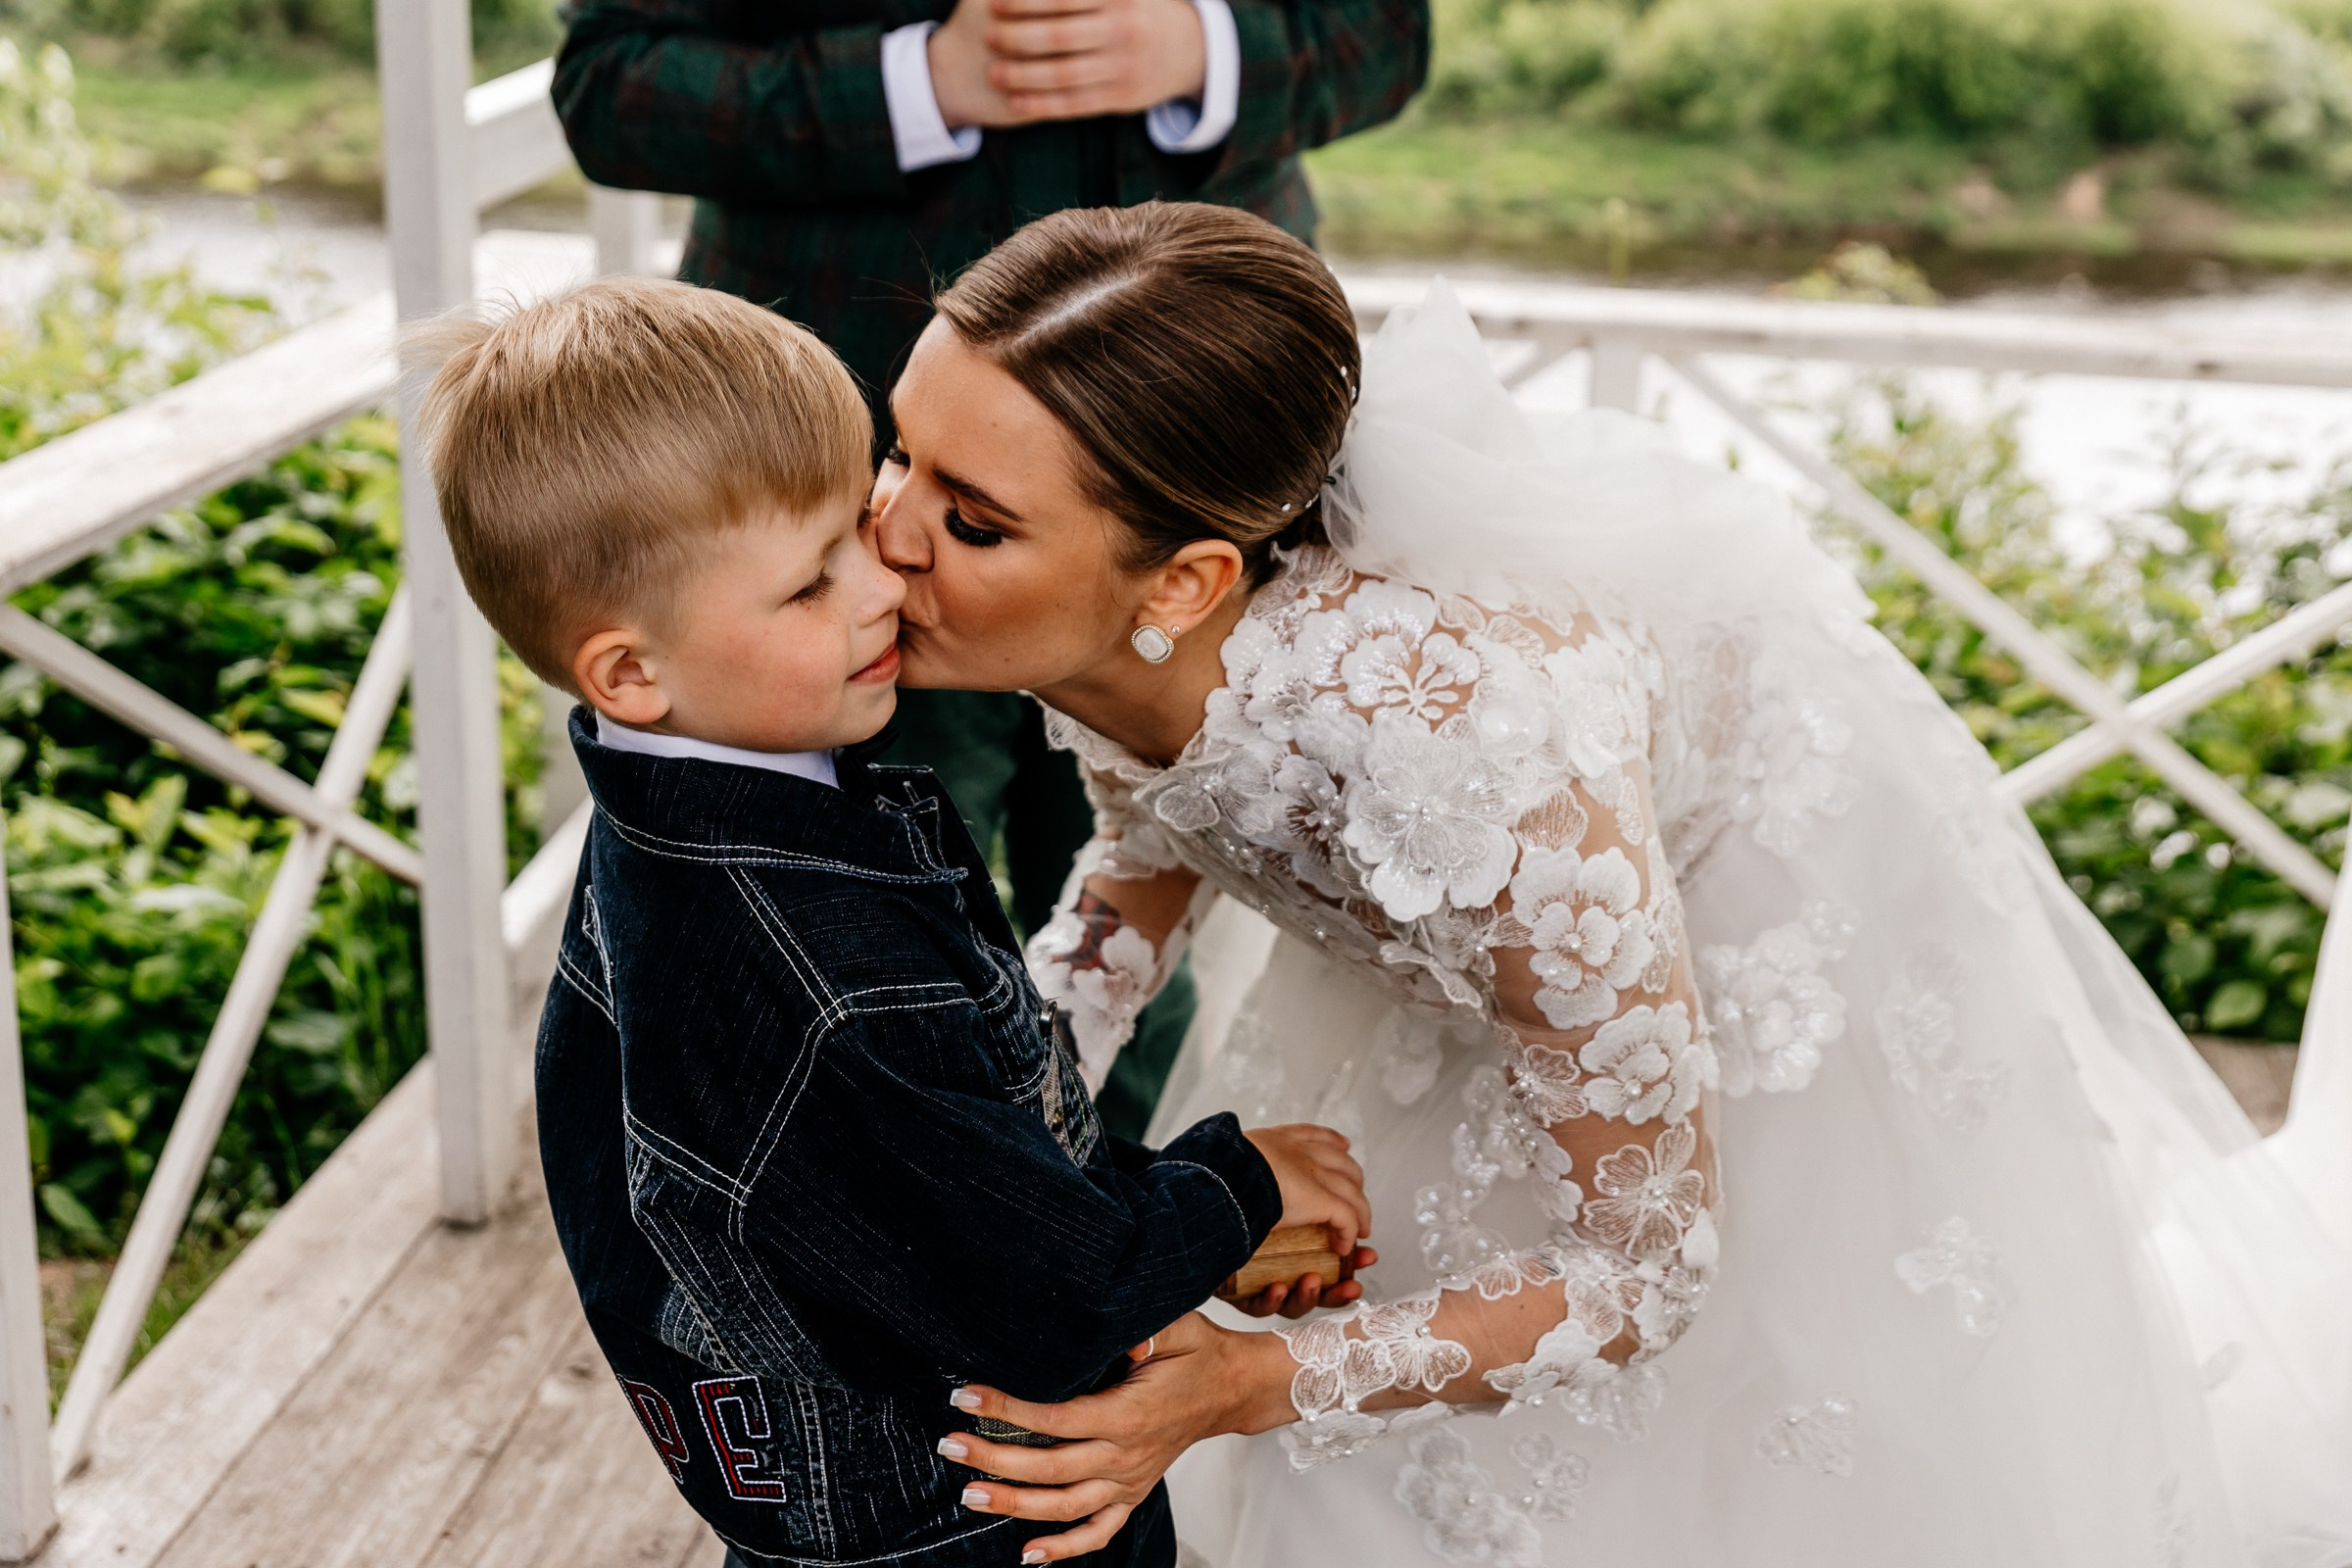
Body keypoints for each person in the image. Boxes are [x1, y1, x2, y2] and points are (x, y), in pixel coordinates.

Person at [864, 202, 2352, 1565]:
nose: (887, 529)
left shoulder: (1483, 766)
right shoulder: (1109, 636)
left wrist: (1251, 1378)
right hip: (1468, 952)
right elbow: (1136, 873)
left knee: (1731, 1422)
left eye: (973, 519)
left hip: (1715, 920)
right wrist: (977, 1170)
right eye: (899, 451)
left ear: (1182, 583)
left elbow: (1648, 1269)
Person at [405, 275, 1376, 1568]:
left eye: (859, 518)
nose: (883, 586)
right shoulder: (816, 977)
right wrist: (1235, 1189)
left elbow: (935, 1176)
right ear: (630, 671)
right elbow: (1045, 1299)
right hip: (975, 1522)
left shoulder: (674, 810)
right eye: (811, 587)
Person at [549, 0, 1432, 1137]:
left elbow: (1385, 36)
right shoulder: (881, 527)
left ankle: (1106, 1234)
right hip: (842, 447)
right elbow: (609, 83)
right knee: (843, 933)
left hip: (1186, 457)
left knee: (1147, 905)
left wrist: (1207, 52)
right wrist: (916, 84)